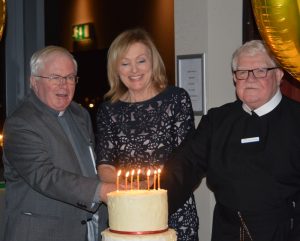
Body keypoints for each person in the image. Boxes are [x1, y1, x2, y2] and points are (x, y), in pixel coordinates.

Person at [161, 39, 300, 241]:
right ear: (235, 78)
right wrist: (147, 203)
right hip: (226, 232)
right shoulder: (217, 121)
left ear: (279, 75)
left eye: (261, 70)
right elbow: (184, 167)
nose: (250, 79)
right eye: (242, 72)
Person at [1, 46, 116, 241]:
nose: (64, 85)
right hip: (40, 233)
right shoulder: (20, 123)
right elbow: (45, 176)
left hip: (88, 230)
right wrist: (101, 190)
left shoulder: (80, 115)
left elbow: (86, 166)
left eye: (70, 77)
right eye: (55, 77)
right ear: (34, 82)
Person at [95, 28, 199, 241]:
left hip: (174, 211)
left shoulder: (176, 99)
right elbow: (105, 166)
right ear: (116, 69)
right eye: (125, 63)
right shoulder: (108, 110)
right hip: (127, 215)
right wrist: (134, 193)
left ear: (153, 62)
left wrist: (148, 190)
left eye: (141, 61)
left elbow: (186, 162)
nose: (134, 70)